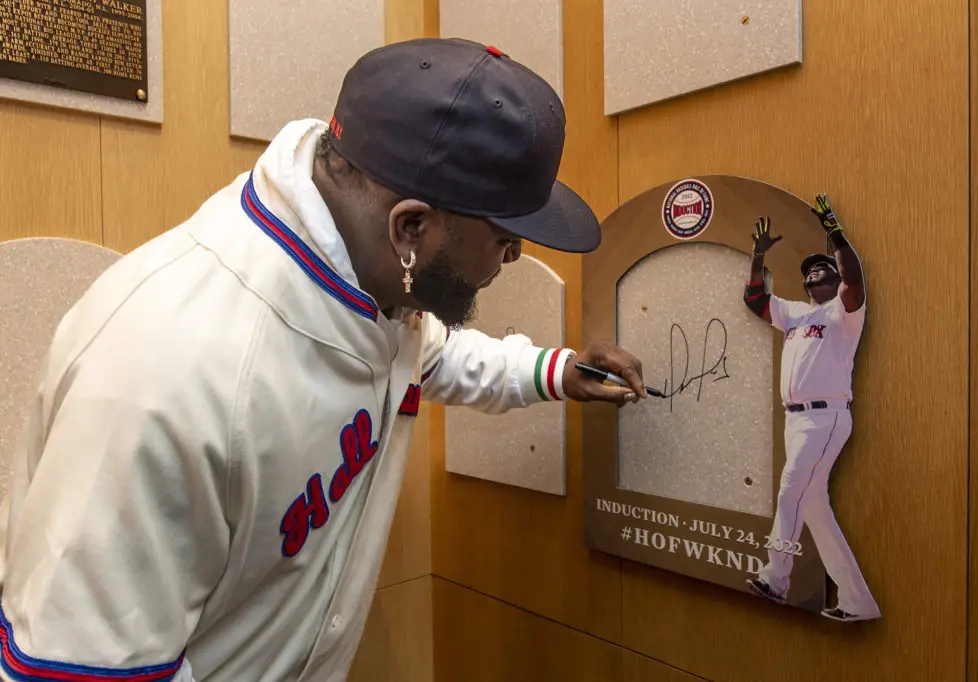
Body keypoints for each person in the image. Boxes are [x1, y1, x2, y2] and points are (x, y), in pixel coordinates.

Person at [0, 38, 650, 681]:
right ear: (411, 228)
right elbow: (76, 671)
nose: (510, 261)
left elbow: (427, 355)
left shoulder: (376, 277)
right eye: (504, 241)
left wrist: (558, 371)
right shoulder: (164, 374)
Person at [740, 195, 880, 622]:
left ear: (835, 277)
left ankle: (776, 578)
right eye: (808, 270)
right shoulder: (796, 314)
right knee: (815, 510)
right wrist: (759, 255)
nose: (814, 270)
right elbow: (755, 300)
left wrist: (835, 232)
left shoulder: (844, 311)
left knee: (790, 489)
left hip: (826, 417)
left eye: (823, 266)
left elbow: (855, 280)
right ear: (803, 286)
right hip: (796, 420)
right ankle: (858, 602)